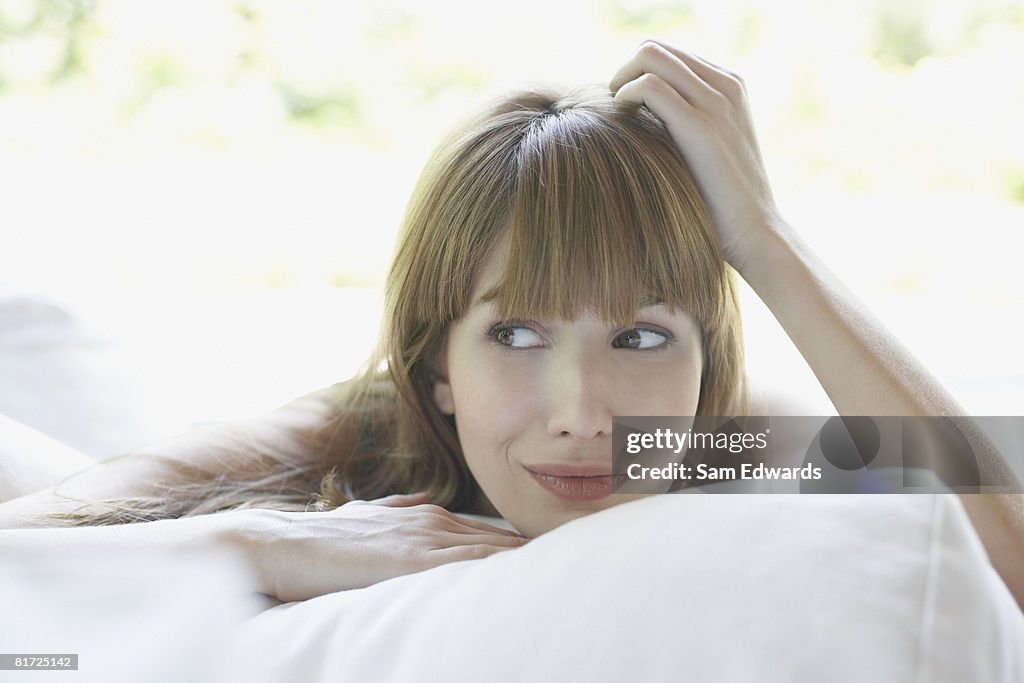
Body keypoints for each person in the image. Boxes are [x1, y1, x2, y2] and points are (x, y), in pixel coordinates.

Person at [1, 39, 1021, 608]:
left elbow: (1007, 560)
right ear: (436, 360)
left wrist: (761, 234)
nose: (580, 415)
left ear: (706, 368)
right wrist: (261, 541)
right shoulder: (351, 437)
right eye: (516, 336)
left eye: (639, 337)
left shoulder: (709, 438)